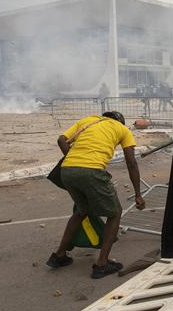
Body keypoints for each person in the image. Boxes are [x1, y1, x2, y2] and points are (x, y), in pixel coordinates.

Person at [47, 111, 145, 278]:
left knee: (81, 211)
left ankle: (59, 256)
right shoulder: (122, 129)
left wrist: (74, 159)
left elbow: (61, 140)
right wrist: (138, 194)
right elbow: (131, 163)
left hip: (67, 170)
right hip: (92, 171)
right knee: (115, 213)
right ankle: (102, 264)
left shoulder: (88, 120)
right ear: (120, 121)